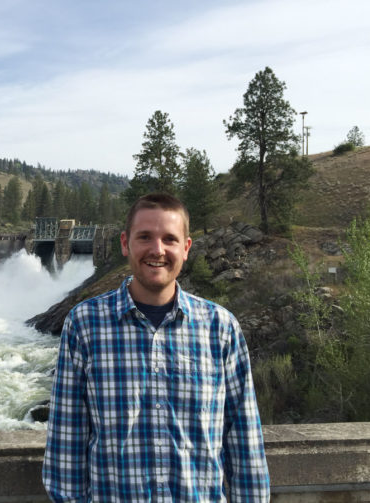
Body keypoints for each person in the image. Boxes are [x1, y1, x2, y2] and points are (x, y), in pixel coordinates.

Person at [42, 193, 269, 502]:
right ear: (126, 243)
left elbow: (246, 446)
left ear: (186, 248)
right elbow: (66, 452)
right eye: (145, 237)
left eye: (170, 239)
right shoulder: (84, 325)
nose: (157, 250)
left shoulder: (221, 328)